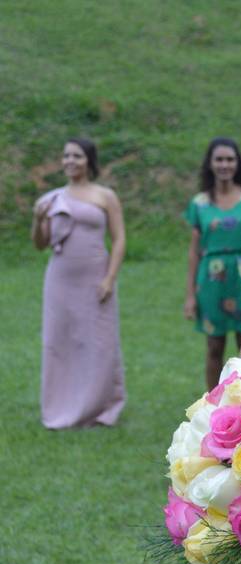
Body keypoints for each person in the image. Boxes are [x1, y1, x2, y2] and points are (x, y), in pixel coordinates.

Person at [31, 138, 126, 429]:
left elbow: (120, 238)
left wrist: (110, 278)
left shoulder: (105, 196)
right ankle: (61, 407)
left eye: (77, 155)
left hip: (96, 279)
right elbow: (40, 244)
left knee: (99, 342)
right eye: (66, 155)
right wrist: (37, 219)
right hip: (60, 281)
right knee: (59, 343)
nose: (70, 160)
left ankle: (99, 407)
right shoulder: (51, 199)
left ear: (89, 161)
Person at [183, 137, 241, 391]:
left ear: (237, 163)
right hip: (212, 280)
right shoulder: (199, 204)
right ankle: (213, 403)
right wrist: (190, 295)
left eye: (229, 159)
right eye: (219, 159)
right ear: (210, 164)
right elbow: (193, 251)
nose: (224, 164)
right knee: (214, 346)